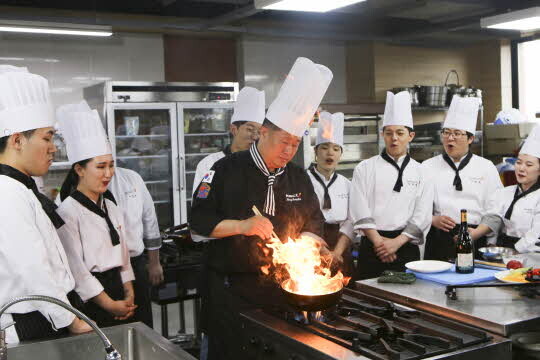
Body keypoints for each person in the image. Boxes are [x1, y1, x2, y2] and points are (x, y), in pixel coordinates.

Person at [190, 57, 333, 360]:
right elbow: (198, 223)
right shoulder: (224, 170)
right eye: (283, 141)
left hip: (281, 293)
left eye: (295, 144)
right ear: (263, 133)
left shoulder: (297, 175)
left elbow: (315, 222)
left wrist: (307, 243)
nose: (289, 151)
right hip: (231, 293)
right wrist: (242, 226)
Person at [0, 65, 91, 343]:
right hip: (31, 324)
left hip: (47, 315)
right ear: (17, 140)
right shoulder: (7, 193)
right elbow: (33, 269)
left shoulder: (21, 188)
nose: (54, 147)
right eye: (47, 137)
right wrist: (70, 320)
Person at [56, 102, 137, 328]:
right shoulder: (67, 212)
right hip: (94, 300)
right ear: (79, 170)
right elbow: (78, 272)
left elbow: (124, 255)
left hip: (119, 289)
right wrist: (110, 305)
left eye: (111, 166)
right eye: (100, 167)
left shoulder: (110, 206)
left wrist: (129, 293)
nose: (108, 173)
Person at [349, 91, 433, 279]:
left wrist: (396, 243)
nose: (394, 138)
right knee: (368, 301)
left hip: (405, 246)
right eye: (389, 133)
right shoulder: (364, 168)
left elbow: (423, 214)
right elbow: (359, 207)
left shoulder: (423, 172)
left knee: (406, 304)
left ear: (411, 136)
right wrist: (379, 243)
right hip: (372, 245)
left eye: (400, 133)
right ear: (382, 135)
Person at [422, 96, 503, 261]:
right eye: (446, 133)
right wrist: (432, 219)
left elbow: (496, 209)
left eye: (457, 134)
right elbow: (414, 206)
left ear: (470, 138)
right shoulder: (426, 167)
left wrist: (476, 233)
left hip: (475, 235)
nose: (450, 138)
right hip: (439, 239)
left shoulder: (486, 167)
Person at [470, 125, 540, 253]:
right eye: (518, 162)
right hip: (503, 251)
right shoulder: (504, 193)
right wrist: (491, 244)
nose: (521, 168)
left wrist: (513, 251)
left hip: (529, 253)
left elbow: (535, 234)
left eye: (529, 164)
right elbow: (494, 218)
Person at [109, 166, 163, 328]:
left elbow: (150, 219)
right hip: (105, 275)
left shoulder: (132, 177)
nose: (106, 172)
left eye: (109, 163)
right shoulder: (72, 193)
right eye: (100, 165)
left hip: (136, 263)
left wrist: (154, 263)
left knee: (142, 324)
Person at [191, 86, 265, 197]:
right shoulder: (209, 164)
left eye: (259, 132)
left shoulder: (264, 165)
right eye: (250, 129)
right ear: (234, 129)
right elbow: (201, 198)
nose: (255, 136)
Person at [307, 111, 354, 276]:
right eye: (324, 148)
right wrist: (323, 251)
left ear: (340, 154)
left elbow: (351, 220)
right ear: (316, 151)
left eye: (335, 149)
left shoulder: (347, 184)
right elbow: (299, 219)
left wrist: (337, 252)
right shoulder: (302, 181)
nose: (330, 153)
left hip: (340, 245)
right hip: (311, 245)